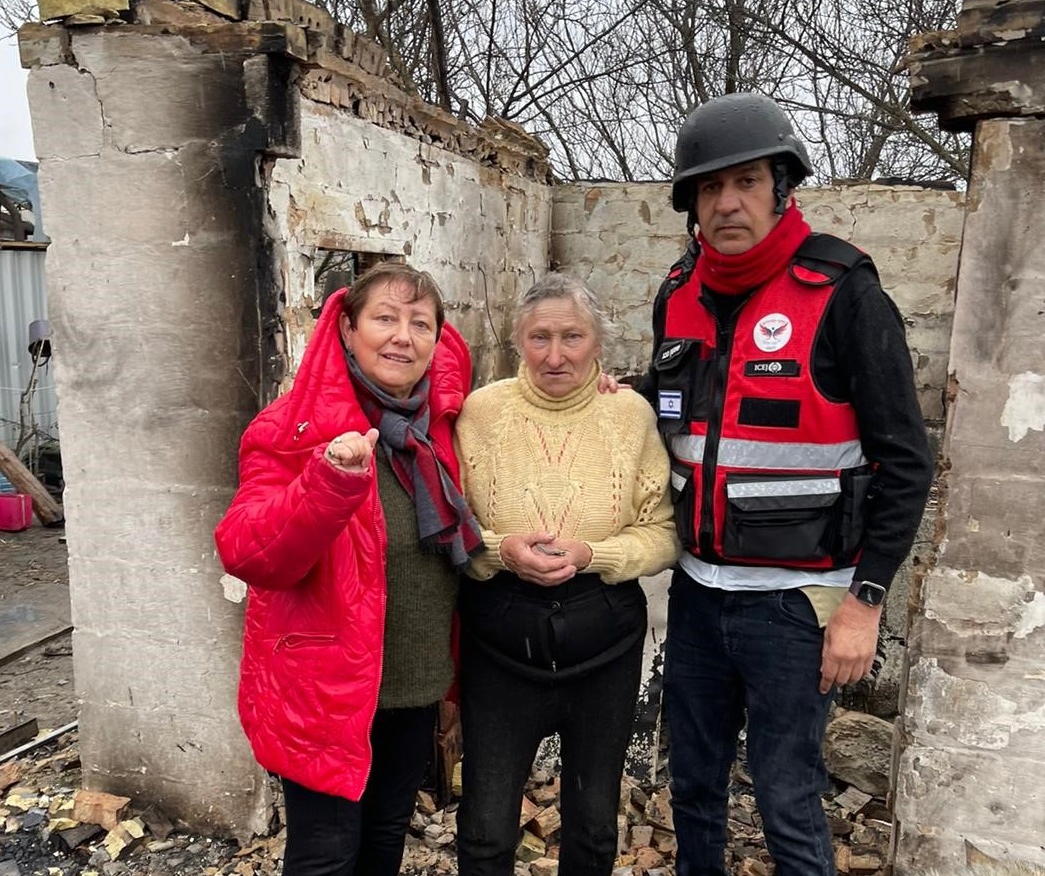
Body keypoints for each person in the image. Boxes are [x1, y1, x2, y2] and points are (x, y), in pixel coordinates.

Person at [642, 94, 934, 876]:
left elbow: (906, 459)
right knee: (694, 785)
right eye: (709, 188)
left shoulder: (843, 292)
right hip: (698, 595)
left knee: (786, 796)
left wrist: (863, 604)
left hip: (796, 608)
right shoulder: (676, 292)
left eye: (744, 181)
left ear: (781, 185)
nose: (726, 202)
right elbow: (669, 412)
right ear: (691, 204)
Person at [214, 262, 483, 876]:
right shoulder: (290, 429)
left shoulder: (439, 427)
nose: (402, 336)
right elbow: (248, 551)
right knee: (326, 855)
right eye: (384, 318)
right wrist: (329, 480)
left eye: (420, 323)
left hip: (413, 685)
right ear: (347, 331)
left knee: (386, 838)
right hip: (324, 693)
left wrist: (602, 386)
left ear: (438, 342)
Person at [453, 272, 679, 876]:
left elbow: (663, 533)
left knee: (594, 828)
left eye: (573, 337)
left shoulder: (630, 415)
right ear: (518, 343)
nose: (556, 355)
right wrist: (503, 551)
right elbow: (456, 530)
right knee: (483, 829)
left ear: (598, 342)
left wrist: (592, 555)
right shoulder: (481, 412)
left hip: (604, 644)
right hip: (500, 643)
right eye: (540, 338)